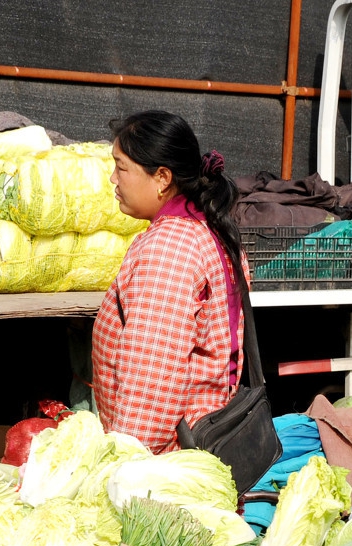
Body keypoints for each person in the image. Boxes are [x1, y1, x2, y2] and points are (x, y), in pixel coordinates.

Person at [91, 110, 247, 453]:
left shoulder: (169, 249)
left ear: (162, 177)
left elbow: (151, 386)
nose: (113, 179)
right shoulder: (208, 228)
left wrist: (124, 465)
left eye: (121, 167)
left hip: (164, 465)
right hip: (203, 441)